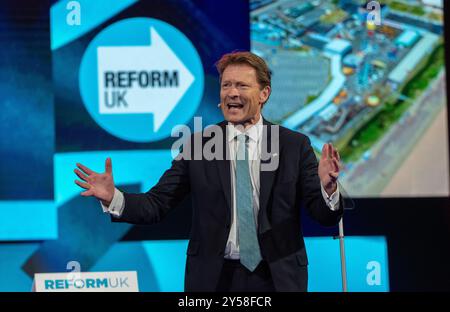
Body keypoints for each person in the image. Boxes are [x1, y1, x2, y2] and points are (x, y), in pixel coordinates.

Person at [74, 51, 343, 292]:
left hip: (277, 278)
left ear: (264, 94)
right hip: (215, 279)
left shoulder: (293, 145)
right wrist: (114, 198)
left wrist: (328, 189)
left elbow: (322, 215)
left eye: (242, 85)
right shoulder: (197, 145)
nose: (232, 93)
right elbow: (157, 204)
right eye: (226, 85)